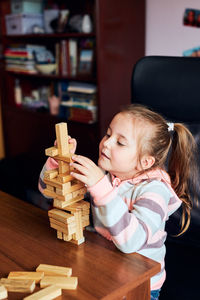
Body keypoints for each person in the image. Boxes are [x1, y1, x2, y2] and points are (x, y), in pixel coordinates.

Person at [38, 104, 198, 300]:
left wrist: (100, 188)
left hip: (141, 284)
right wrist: (58, 163)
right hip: (105, 266)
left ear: (145, 162)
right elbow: (48, 192)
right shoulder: (107, 176)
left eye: (120, 143)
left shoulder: (155, 192)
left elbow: (131, 242)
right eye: (107, 134)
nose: (106, 143)